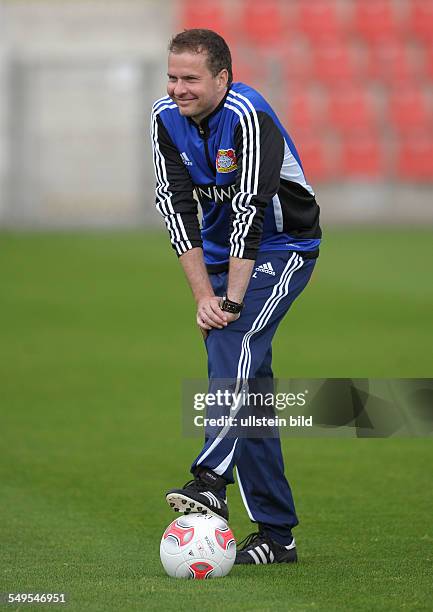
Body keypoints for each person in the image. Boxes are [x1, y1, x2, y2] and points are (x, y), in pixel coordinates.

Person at [150, 29, 321, 566]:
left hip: (284, 244)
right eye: (173, 76)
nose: (179, 88)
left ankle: (210, 479)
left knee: (234, 334)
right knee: (254, 396)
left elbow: (249, 209)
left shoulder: (247, 113)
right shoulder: (164, 119)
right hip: (227, 260)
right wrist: (205, 294)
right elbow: (176, 208)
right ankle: (277, 535)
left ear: (222, 78)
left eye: (191, 78)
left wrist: (228, 303)